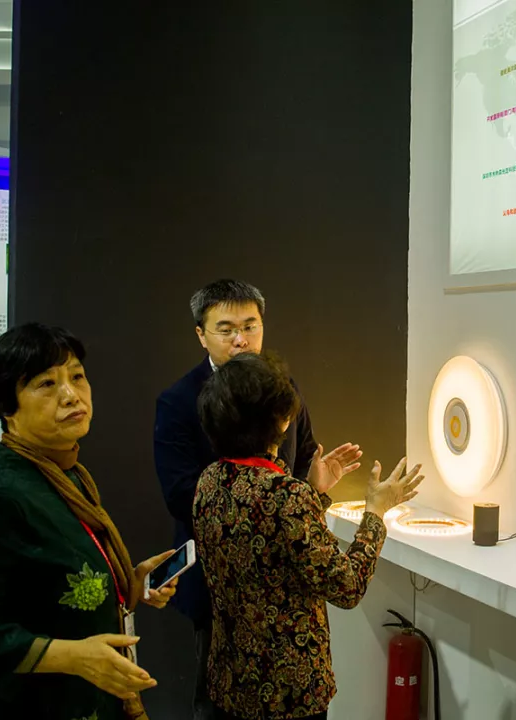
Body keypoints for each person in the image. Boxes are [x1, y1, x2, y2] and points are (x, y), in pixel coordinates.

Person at [0, 323, 179, 720]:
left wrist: (128, 584)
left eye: (77, 377)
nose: (71, 394)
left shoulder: (65, 473)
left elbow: (50, 580)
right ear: (7, 407)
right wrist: (72, 656)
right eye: (46, 384)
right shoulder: (0, 497)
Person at [153, 279, 362, 719]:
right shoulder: (178, 401)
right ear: (201, 334)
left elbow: (304, 457)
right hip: (219, 583)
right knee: (216, 699)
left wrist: (308, 492)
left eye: (250, 326)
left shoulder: (282, 388)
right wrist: (273, 506)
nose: (240, 339)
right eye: (226, 329)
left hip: (288, 588)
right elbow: (180, 494)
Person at [194, 353, 423, 720]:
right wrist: (375, 513)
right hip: (288, 692)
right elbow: (347, 587)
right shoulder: (285, 495)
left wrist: (314, 491)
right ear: (281, 420)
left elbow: (271, 545)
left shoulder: (210, 481)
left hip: (231, 682)